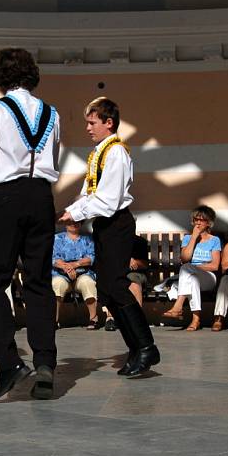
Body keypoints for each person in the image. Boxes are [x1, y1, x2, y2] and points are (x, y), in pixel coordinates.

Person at [0, 48, 60, 402]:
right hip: (42, 198)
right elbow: (54, 156)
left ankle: (9, 363)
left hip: (7, 198)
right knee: (38, 282)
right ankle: (46, 363)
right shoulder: (52, 113)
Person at [60, 96, 160, 377]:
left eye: (92, 123)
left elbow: (108, 199)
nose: (88, 128)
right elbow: (88, 193)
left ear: (109, 122)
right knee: (107, 288)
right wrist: (70, 210)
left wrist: (77, 214)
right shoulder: (98, 153)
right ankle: (136, 348)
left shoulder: (116, 152)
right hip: (104, 225)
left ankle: (146, 346)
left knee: (116, 286)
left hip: (116, 223)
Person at [162, 205, 222, 331]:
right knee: (192, 279)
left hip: (208, 278)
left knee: (187, 268)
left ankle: (178, 306)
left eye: (202, 220)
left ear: (209, 223)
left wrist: (196, 267)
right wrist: (194, 237)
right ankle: (196, 320)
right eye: (196, 220)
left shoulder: (214, 240)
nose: (198, 223)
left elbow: (215, 266)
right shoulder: (188, 238)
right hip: (191, 276)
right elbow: (185, 258)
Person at [51, 220, 98, 329]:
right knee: (57, 284)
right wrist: (67, 268)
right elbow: (53, 258)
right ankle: (54, 320)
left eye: (77, 222)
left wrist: (75, 265)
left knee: (88, 283)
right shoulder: (56, 238)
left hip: (83, 273)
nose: (73, 224)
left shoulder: (88, 239)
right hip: (61, 273)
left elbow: (91, 258)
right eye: (70, 222)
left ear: (81, 224)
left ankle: (93, 319)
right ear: (65, 224)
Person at [104, 234, 149, 332]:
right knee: (113, 280)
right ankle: (111, 318)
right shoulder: (110, 241)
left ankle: (137, 320)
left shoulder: (139, 241)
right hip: (116, 273)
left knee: (132, 281)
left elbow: (145, 265)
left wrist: (135, 262)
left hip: (135, 273)